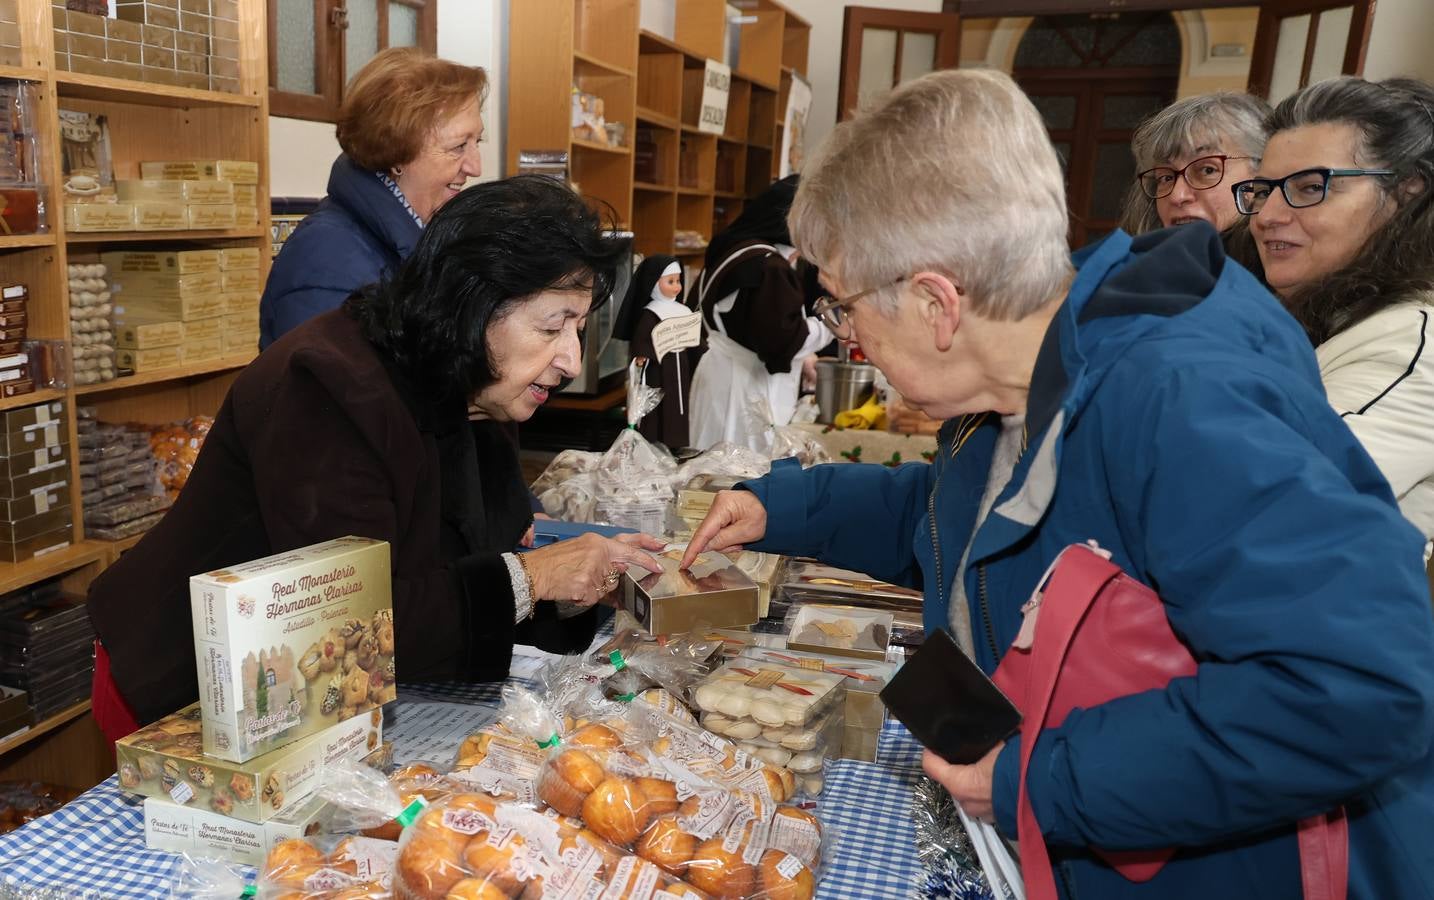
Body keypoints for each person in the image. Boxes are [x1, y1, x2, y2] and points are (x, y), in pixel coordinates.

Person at [683, 69, 1434, 898]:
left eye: (843, 307)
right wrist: (780, 503)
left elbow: (1355, 688)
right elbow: (954, 520)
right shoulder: (1027, 373)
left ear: (937, 303)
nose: (846, 335)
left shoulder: (1178, 395)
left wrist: (1037, 783)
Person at [88, 177, 664, 741]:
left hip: (321, 690)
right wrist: (535, 577)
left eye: (580, 328)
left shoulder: (479, 389)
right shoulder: (328, 386)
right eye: (551, 326)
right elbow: (350, 623)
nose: (569, 359)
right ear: (472, 303)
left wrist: (571, 587)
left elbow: (467, 569)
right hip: (190, 687)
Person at [1232, 76, 1434, 542]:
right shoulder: (1312, 317)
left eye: (1309, 187)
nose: (1266, 216)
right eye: (1263, 191)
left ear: (1407, 193)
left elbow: (1274, 503)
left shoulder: (1411, 347)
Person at [259, 47, 487, 348]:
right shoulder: (327, 258)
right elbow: (332, 389)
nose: (476, 167)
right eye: (458, 147)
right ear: (397, 154)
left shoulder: (422, 238)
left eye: (477, 141)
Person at [687, 175, 832, 452]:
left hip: (721, 378)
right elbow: (782, 340)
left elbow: (754, 327)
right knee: (739, 472)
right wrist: (831, 325)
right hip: (744, 392)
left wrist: (807, 355)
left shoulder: (736, 250)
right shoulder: (768, 266)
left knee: (710, 467)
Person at [613, 255, 706, 449]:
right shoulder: (651, 313)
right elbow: (642, 339)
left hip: (681, 366)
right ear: (655, 283)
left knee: (681, 404)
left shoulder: (683, 310)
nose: (676, 287)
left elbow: (694, 340)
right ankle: (655, 443)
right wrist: (642, 356)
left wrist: (704, 351)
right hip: (660, 370)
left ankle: (677, 443)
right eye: (670, 281)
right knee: (661, 405)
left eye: (678, 281)